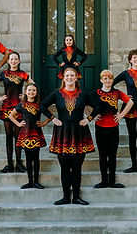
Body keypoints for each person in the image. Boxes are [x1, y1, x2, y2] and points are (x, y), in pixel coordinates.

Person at [40, 67, 100, 205]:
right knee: (65, 167)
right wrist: (52, 118)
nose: (69, 78)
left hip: (79, 132)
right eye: (67, 75)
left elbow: (98, 106)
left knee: (77, 167)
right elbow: (42, 105)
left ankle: (77, 197)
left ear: (76, 77)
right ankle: (66, 197)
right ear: (63, 78)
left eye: (72, 75)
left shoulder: (83, 94)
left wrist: (89, 118)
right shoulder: (57, 94)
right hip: (62, 133)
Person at [0, 52, 32, 173]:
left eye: (16, 59)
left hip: (19, 108)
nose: (13, 61)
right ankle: (9, 164)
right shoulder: (4, 74)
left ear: (19, 61)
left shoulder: (23, 74)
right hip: (7, 108)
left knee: (18, 136)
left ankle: (18, 163)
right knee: (8, 137)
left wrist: (26, 95)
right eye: (11, 59)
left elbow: (33, 85)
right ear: (8, 61)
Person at [92, 70, 134, 189]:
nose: (108, 80)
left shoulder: (117, 92)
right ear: (101, 80)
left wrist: (121, 115)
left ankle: (112, 181)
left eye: (110, 78)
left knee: (112, 155)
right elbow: (85, 103)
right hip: (100, 128)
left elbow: (130, 102)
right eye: (105, 78)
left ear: (112, 80)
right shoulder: (96, 93)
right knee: (102, 155)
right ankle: (104, 181)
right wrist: (91, 116)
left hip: (113, 128)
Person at [9, 83, 51, 189]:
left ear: (36, 93)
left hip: (36, 134)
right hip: (26, 134)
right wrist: (18, 124)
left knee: (36, 159)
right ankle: (30, 182)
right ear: (25, 92)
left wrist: (43, 123)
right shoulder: (21, 105)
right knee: (28, 159)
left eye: (33, 90)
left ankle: (36, 182)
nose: (31, 92)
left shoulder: (40, 105)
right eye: (29, 90)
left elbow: (50, 116)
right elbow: (11, 115)